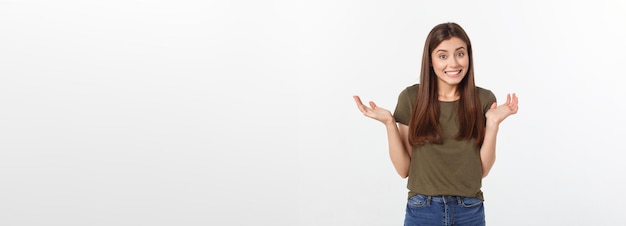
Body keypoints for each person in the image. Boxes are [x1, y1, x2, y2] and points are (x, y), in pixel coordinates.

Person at [353, 22, 518, 226]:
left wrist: (493, 124)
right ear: (430, 60)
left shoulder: (483, 99)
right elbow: (404, 169)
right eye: (442, 56)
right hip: (422, 209)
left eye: (460, 54)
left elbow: (482, 170)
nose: (453, 63)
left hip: (469, 209)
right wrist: (389, 123)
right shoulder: (411, 99)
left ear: (469, 56)